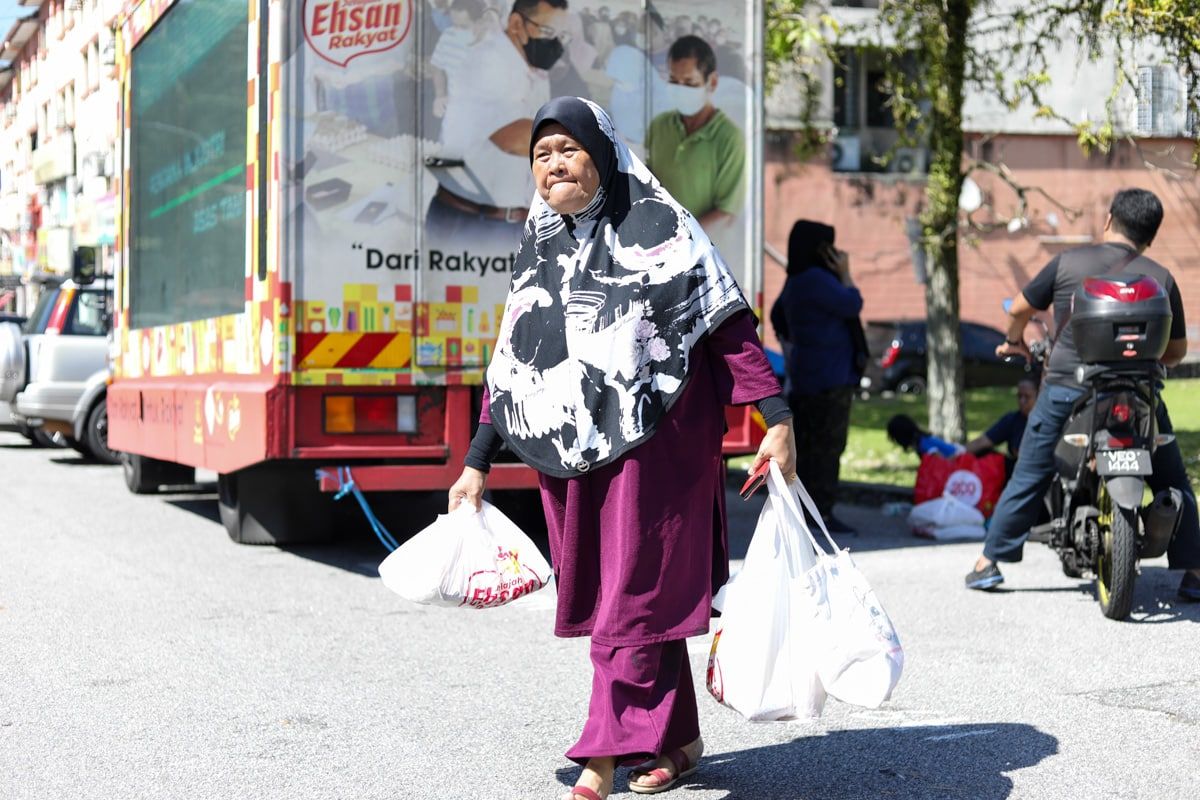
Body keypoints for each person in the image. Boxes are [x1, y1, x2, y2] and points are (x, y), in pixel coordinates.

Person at [447, 97, 797, 800]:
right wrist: (476, 462)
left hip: (657, 449)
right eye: (541, 155)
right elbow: (514, 360)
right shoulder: (540, 243)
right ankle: (679, 742)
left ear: (601, 154)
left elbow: (724, 325)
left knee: (630, 600)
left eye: (566, 150)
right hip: (573, 452)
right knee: (628, 596)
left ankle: (603, 752)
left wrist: (778, 419)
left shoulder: (662, 228)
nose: (552, 165)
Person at [965, 188, 1200, 600]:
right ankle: (1195, 569)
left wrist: (1012, 340)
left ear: (1109, 220)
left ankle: (989, 563)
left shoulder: (1067, 263)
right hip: (1139, 393)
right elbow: (1176, 352)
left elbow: (1018, 309)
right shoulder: (1160, 277)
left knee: (1032, 469)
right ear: (1152, 234)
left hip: (1067, 389)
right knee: (1173, 477)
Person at [426, 0, 569, 256]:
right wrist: (587, 144)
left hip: (509, 221)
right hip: (470, 222)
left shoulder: (532, 68)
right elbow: (514, 138)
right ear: (517, 24)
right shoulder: (488, 61)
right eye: (548, 32)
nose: (556, 43)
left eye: (562, 35)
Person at [770, 220, 867, 536]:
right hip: (829, 377)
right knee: (827, 447)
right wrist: (845, 273)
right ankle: (821, 513)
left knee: (810, 448)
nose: (835, 254)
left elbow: (776, 315)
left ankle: (806, 510)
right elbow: (852, 303)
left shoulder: (795, 280)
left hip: (807, 375)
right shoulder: (815, 280)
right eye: (829, 248)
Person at [644, 35, 745, 236]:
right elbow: (649, 185)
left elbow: (726, 212)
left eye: (690, 83)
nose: (681, 90)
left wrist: (683, 240)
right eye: (674, 81)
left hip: (703, 255)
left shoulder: (729, 138)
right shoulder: (659, 126)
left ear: (712, 82)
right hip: (658, 248)